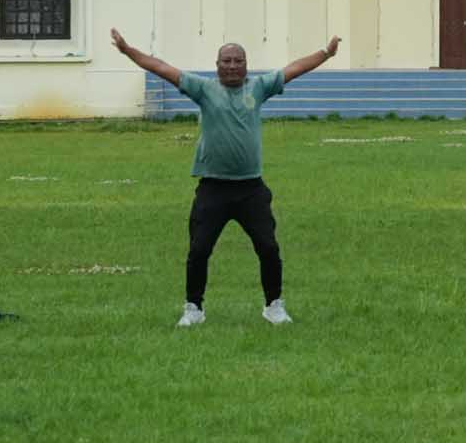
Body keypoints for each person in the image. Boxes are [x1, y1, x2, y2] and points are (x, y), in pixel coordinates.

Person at [109, 26, 340, 328]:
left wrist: (326, 53)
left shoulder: (258, 88)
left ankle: (273, 306)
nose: (232, 66)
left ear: (246, 65)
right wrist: (128, 50)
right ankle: (194, 308)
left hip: (251, 189)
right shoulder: (203, 89)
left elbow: (295, 68)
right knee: (199, 249)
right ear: (217, 66)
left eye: (238, 61)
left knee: (268, 248)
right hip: (212, 189)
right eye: (226, 61)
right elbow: (161, 67)